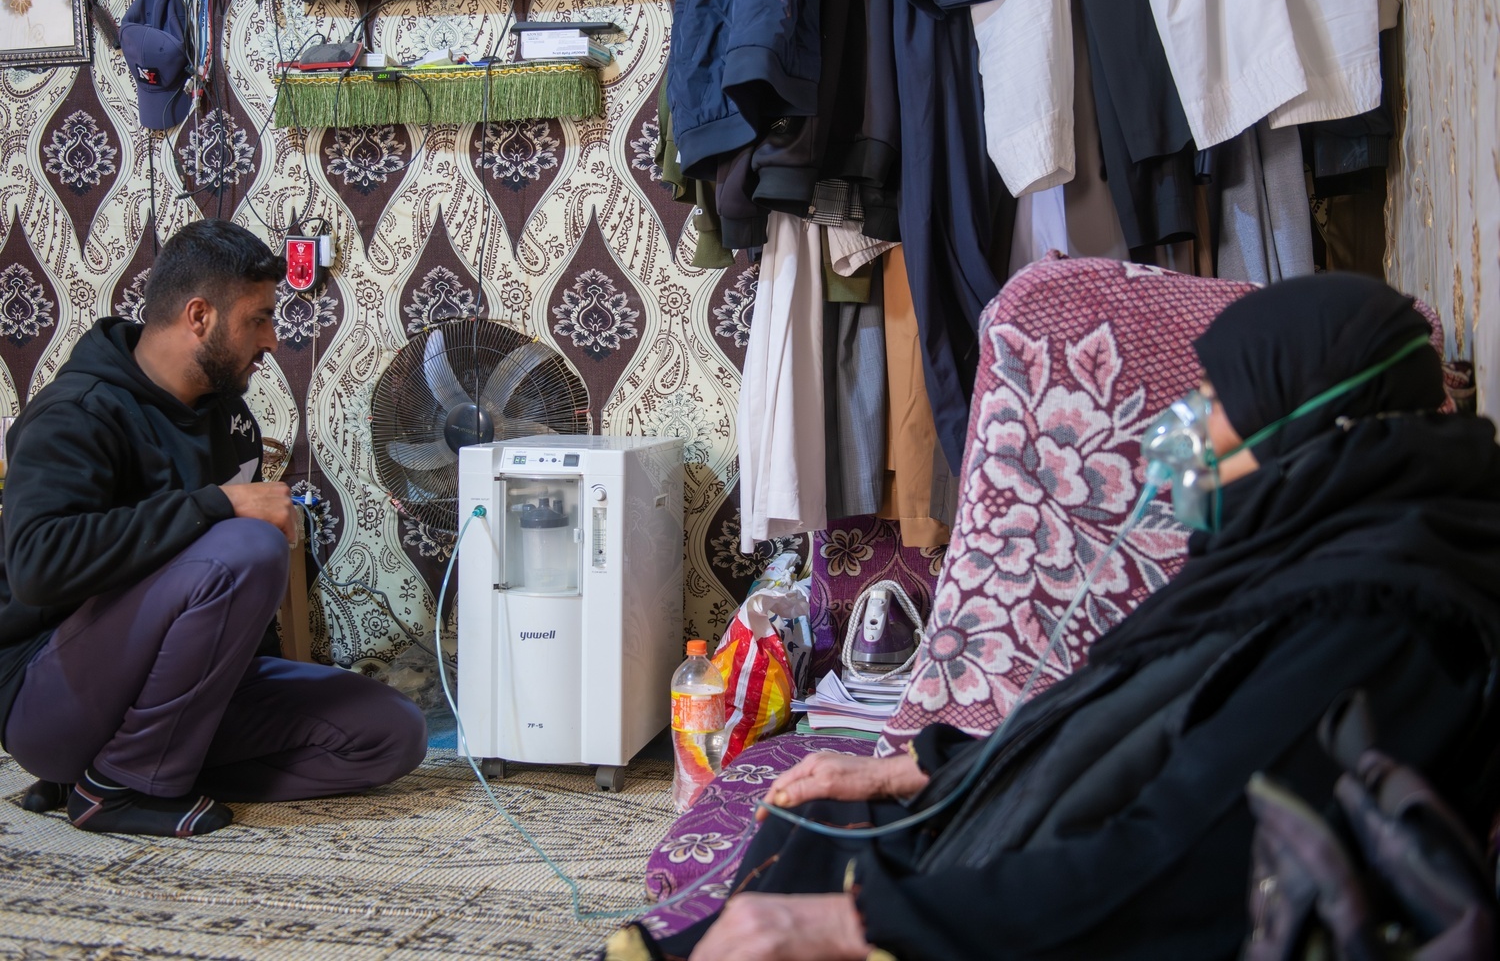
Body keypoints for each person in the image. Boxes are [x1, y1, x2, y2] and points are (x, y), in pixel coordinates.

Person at [607, 275, 1500, 960]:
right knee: (817, 820)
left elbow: (1187, 868)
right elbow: (1120, 731)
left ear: (1308, 424)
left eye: (1221, 400)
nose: (1185, 428)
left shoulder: (1377, 623)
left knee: (813, 881)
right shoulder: (1314, 559)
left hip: (1095, 921)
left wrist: (854, 924)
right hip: (1068, 867)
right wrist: (916, 770)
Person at [0, 219, 427, 838]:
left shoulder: (230, 419)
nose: (273, 340)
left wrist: (257, 674)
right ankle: (120, 787)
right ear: (199, 316)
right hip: (50, 696)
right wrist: (214, 506)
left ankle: (110, 771)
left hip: (178, 692)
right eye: (259, 319)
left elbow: (231, 598)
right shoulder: (77, 413)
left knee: (390, 733)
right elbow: (37, 567)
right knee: (246, 541)